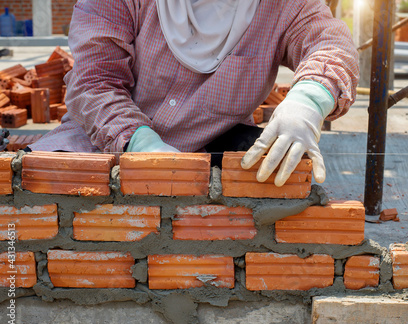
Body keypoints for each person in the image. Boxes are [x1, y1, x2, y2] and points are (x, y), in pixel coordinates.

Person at [29, 0, 359, 187]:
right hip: (99, 146)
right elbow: (94, 79)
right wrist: (139, 142)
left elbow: (329, 43)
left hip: (209, 157)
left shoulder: (282, 6)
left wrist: (309, 100)